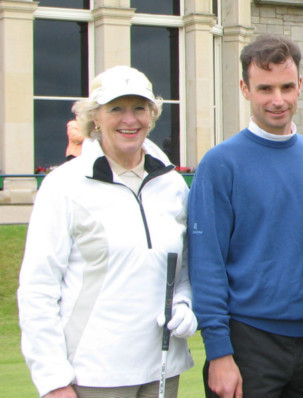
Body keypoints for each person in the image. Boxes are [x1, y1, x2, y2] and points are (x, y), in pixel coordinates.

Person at [17, 65, 197, 398]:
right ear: (95, 118)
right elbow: (37, 289)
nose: (130, 120)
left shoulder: (172, 184)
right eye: (116, 108)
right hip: (92, 375)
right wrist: (53, 380)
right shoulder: (63, 186)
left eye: (139, 108)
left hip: (162, 370)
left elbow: (183, 268)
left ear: (152, 115)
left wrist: (185, 304)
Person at [188, 34, 303, 398]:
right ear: (244, 88)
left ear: (300, 84)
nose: (278, 100)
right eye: (265, 88)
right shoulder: (220, 164)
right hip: (248, 341)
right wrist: (219, 353)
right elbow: (206, 263)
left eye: (287, 87)